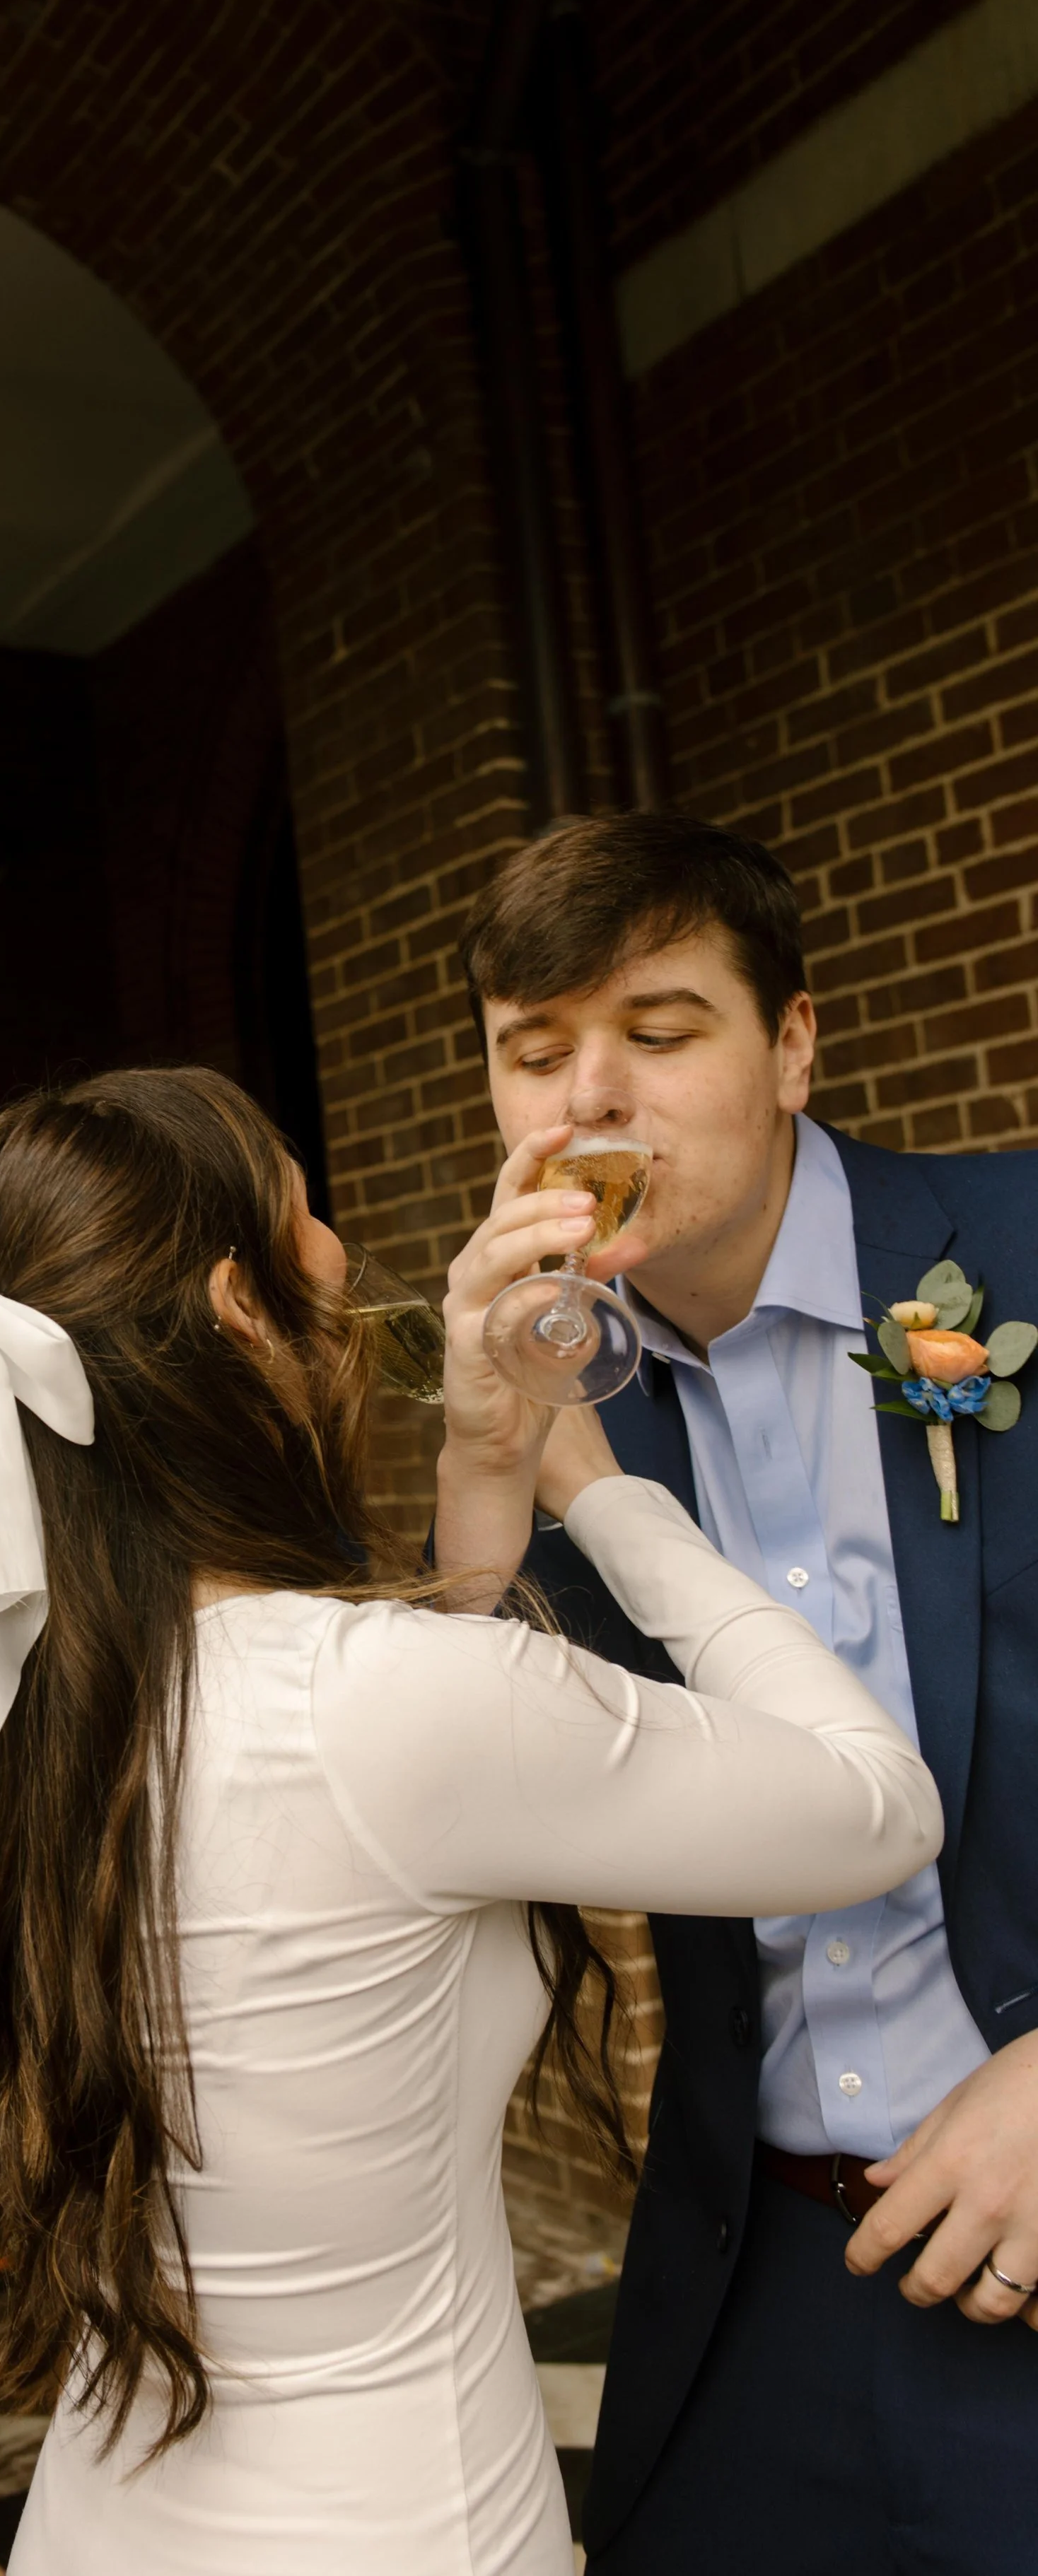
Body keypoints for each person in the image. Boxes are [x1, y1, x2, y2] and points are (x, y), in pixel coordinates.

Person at [0, 1065, 939, 2575]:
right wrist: (609, 1499)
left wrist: (484, 1459)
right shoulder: (368, 1708)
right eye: (303, 1210)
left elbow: (393, 1818)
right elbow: (875, 1807)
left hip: (109, 2519)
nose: (341, 1248)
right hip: (405, 2523)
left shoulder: (10, 1717)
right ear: (236, 1306)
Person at [458, 813, 1038, 2575]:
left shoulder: (1018, 1248)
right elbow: (451, 1777)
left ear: (791, 1045)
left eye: (657, 1029)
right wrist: (477, 1469)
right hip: (754, 2265)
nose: (590, 1100)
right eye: (534, 1053)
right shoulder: (544, 1391)